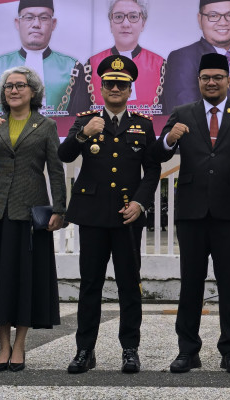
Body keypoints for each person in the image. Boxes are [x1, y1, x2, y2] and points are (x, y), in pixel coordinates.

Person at [151, 53, 230, 374]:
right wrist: (167, 140)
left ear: (228, 81)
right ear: (198, 81)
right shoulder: (182, 113)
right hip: (191, 211)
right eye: (205, 78)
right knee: (190, 283)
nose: (211, 83)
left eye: (217, 77)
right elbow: (158, 153)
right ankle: (187, 350)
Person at [0, 66, 66, 372]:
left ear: (33, 92)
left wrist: (60, 210)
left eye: (20, 86)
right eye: (8, 87)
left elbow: (56, 171)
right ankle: (3, 346)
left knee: (25, 281)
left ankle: (20, 346)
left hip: (29, 215)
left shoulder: (45, 126)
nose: (14, 91)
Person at [60, 55, 161, 374]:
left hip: (127, 217)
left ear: (130, 89)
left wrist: (141, 203)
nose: (115, 88)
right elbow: (64, 155)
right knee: (90, 285)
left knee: (129, 285)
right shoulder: (86, 121)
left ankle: (130, 349)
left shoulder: (143, 125)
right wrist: (82, 133)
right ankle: (84, 350)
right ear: (100, 88)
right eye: (110, 83)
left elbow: (153, 168)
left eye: (122, 84)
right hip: (92, 215)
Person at [0, 0, 85, 117]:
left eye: (44, 18)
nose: (36, 24)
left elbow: (81, 123)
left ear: (53, 24)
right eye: (29, 17)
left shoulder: (72, 68)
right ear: (18, 23)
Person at [81, 0, 166, 115]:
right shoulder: (92, 64)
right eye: (119, 16)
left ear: (143, 23)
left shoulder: (160, 65)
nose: (125, 24)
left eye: (133, 17)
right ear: (111, 23)